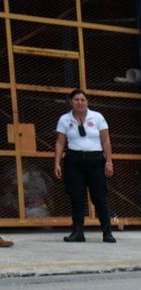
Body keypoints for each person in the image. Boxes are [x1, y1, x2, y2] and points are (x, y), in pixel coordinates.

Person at [53, 88, 115, 242]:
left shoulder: (98, 117)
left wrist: (109, 161)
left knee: (99, 197)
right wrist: (57, 163)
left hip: (95, 160)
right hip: (74, 160)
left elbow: (106, 141)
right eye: (76, 100)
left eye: (83, 100)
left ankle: (107, 232)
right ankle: (78, 232)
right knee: (77, 197)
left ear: (87, 102)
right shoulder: (65, 119)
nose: (80, 103)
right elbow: (60, 142)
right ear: (71, 102)